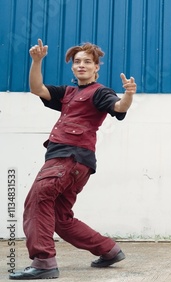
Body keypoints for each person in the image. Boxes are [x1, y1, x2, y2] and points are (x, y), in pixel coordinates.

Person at [10, 39, 137, 280]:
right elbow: (37, 88)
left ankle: (44, 262)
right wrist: (36, 62)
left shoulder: (100, 92)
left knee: (38, 199)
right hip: (79, 164)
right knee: (60, 217)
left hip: (67, 158)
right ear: (72, 67)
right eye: (77, 62)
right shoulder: (67, 93)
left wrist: (128, 95)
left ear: (96, 67)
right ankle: (108, 250)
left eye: (87, 62)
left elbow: (118, 108)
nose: (81, 65)